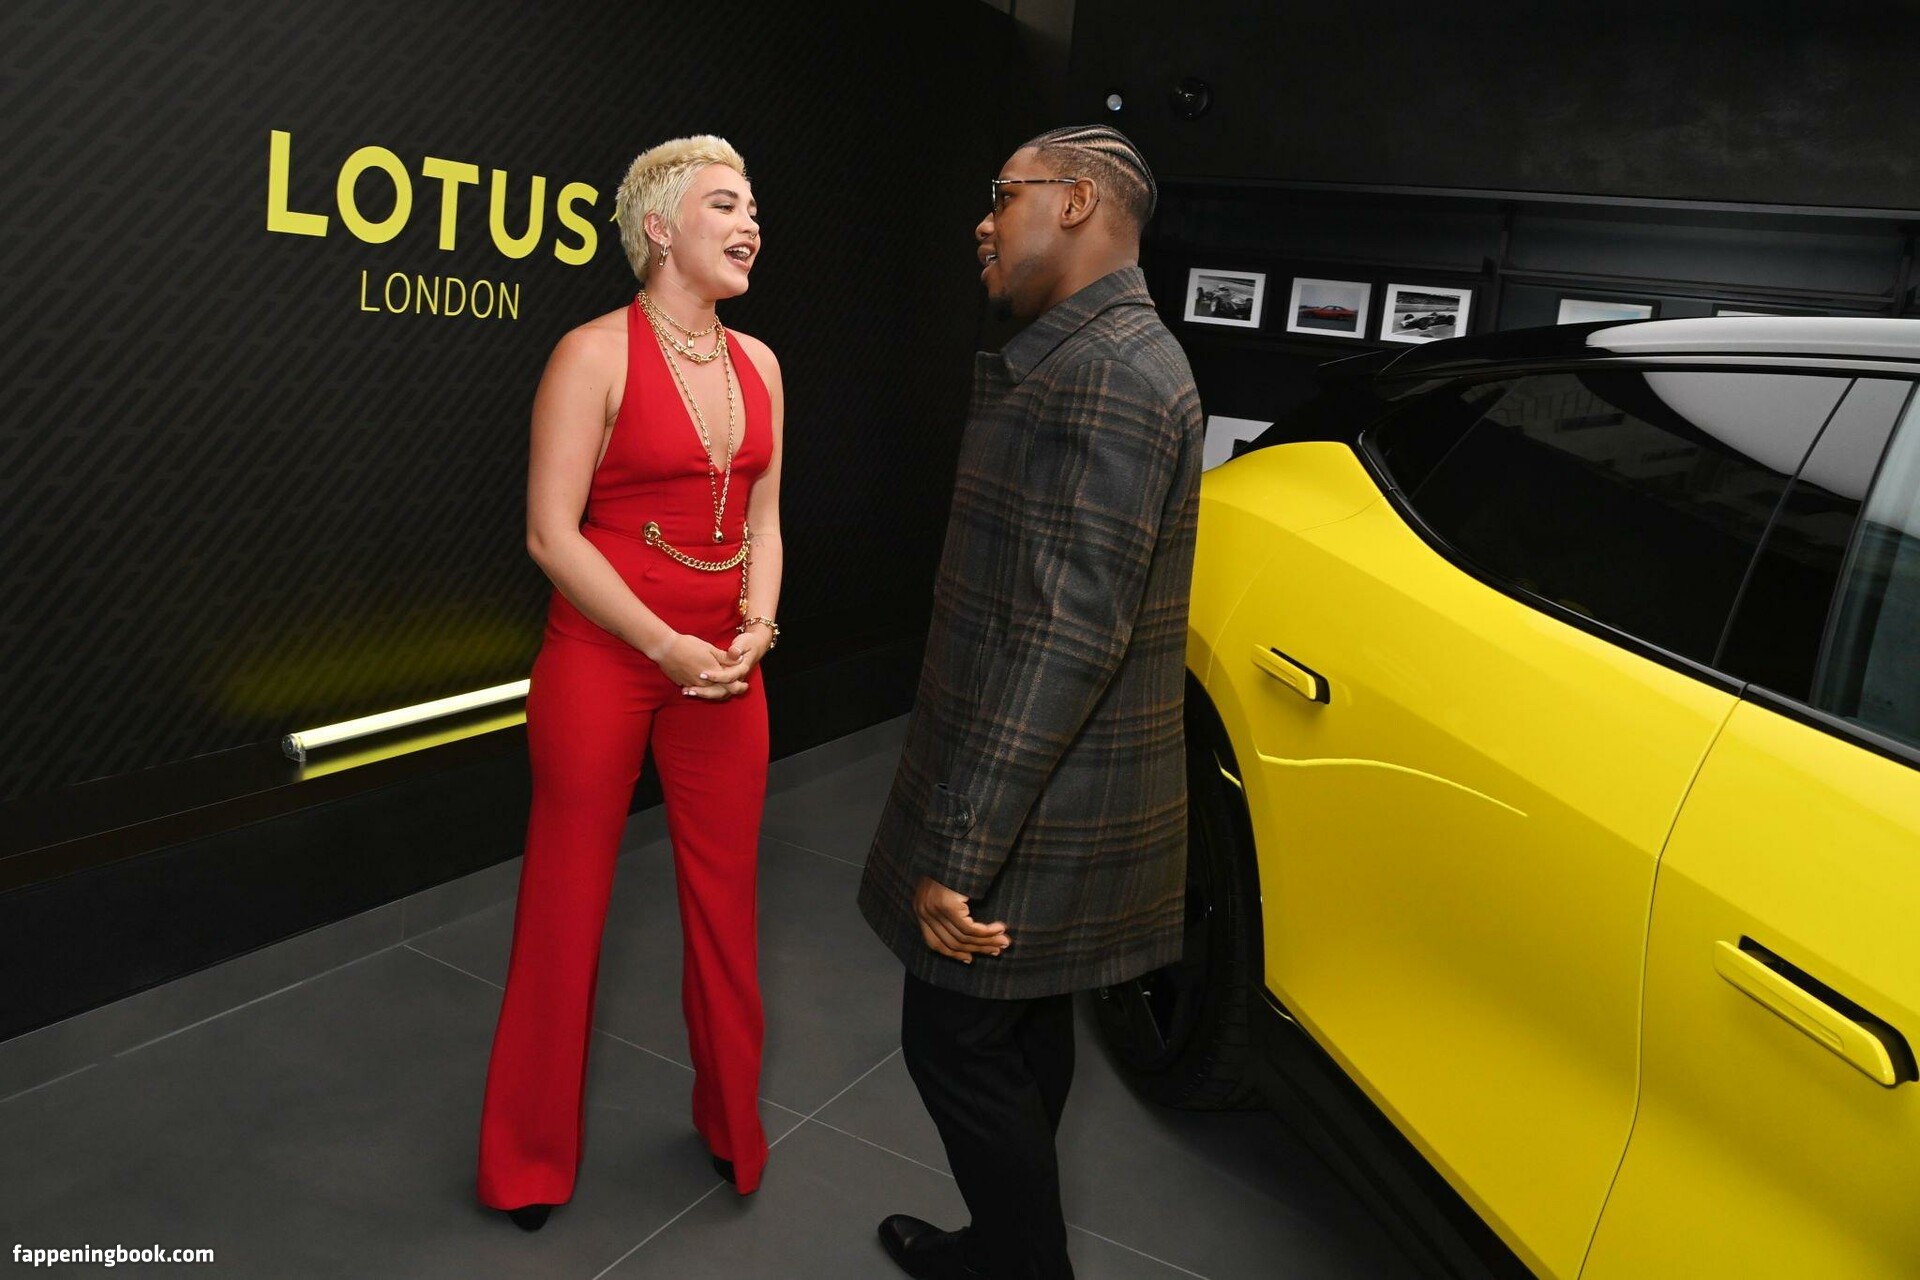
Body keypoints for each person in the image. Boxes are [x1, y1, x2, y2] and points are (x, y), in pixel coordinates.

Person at [858, 123, 1203, 1280]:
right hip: (1060, 785)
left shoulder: (1109, 374)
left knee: (951, 1036)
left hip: (1040, 797)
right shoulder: (1101, 352)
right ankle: (1000, 1249)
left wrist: (960, 848)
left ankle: (1022, 1266)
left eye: (1004, 194)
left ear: (1076, 202)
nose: (984, 220)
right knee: (1024, 1015)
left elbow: (1066, 634)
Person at [476, 135, 784, 1231]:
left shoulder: (762, 364)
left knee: (727, 903)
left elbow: (764, 523)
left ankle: (732, 1125)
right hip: (607, 657)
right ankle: (525, 1160)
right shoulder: (591, 353)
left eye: (753, 209)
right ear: (659, 228)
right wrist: (663, 643)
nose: (750, 225)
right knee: (566, 904)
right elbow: (550, 535)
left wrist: (757, 626)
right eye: (725, 205)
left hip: (724, 666)